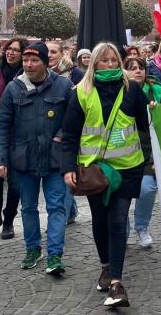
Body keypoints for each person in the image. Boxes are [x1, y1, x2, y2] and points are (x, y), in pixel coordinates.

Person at [60, 42, 149, 308]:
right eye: (104, 60)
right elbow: (70, 135)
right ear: (93, 63)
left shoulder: (132, 90)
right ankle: (106, 266)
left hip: (127, 168)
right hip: (95, 171)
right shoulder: (81, 93)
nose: (110, 65)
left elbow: (147, 126)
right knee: (100, 220)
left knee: (118, 221)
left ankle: (116, 282)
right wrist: (67, 168)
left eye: (113, 60)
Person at [0, 42, 73, 274]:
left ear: (46, 62)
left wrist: (61, 136)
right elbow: (2, 127)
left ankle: (55, 255)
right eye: (26, 60)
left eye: (34, 60)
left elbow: (73, 120)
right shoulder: (13, 88)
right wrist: (0, 160)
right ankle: (32, 248)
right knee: (28, 207)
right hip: (23, 159)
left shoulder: (64, 86)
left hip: (55, 158)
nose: (28, 64)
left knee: (57, 207)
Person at [0, 38, 27, 240]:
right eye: (9, 49)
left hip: (19, 134)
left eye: (16, 50)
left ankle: (9, 219)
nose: (10, 53)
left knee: (16, 183)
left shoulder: (27, 75)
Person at [123, 56, 161, 251]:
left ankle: (142, 227)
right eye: (132, 68)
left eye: (140, 68)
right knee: (121, 194)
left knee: (147, 189)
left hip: (148, 153)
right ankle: (123, 229)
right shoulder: (119, 92)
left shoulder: (157, 91)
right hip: (124, 151)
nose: (138, 71)